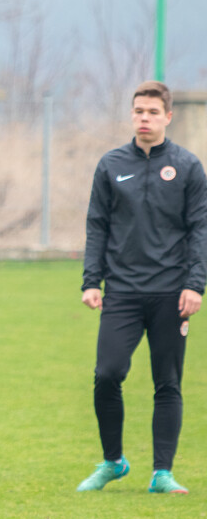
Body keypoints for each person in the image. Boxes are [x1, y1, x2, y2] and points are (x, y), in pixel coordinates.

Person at [78, 80, 207, 494]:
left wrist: (196, 284)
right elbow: (97, 225)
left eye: (152, 112)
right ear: (131, 115)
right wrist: (91, 281)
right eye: (138, 111)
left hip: (172, 293)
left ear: (168, 116)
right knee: (107, 374)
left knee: (167, 383)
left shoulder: (187, 167)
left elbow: (200, 228)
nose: (144, 119)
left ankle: (162, 473)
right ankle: (113, 461)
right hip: (123, 291)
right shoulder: (110, 164)